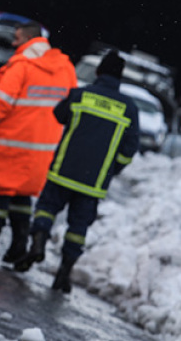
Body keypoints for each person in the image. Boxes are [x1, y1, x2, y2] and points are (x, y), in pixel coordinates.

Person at [12, 51, 139, 294]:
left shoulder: (82, 95)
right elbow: (129, 149)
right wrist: (112, 169)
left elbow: (58, 115)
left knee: (47, 210)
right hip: (93, 182)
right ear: (120, 77)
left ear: (99, 72)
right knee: (78, 228)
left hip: (63, 170)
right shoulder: (129, 109)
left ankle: (38, 243)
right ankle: (64, 272)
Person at [0, 20, 76, 264]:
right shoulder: (66, 68)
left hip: (11, 145)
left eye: (18, 38)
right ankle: (19, 246)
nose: (13, 43)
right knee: (21, 197)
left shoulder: (21, 65)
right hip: (42, 151)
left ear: (29, 40)